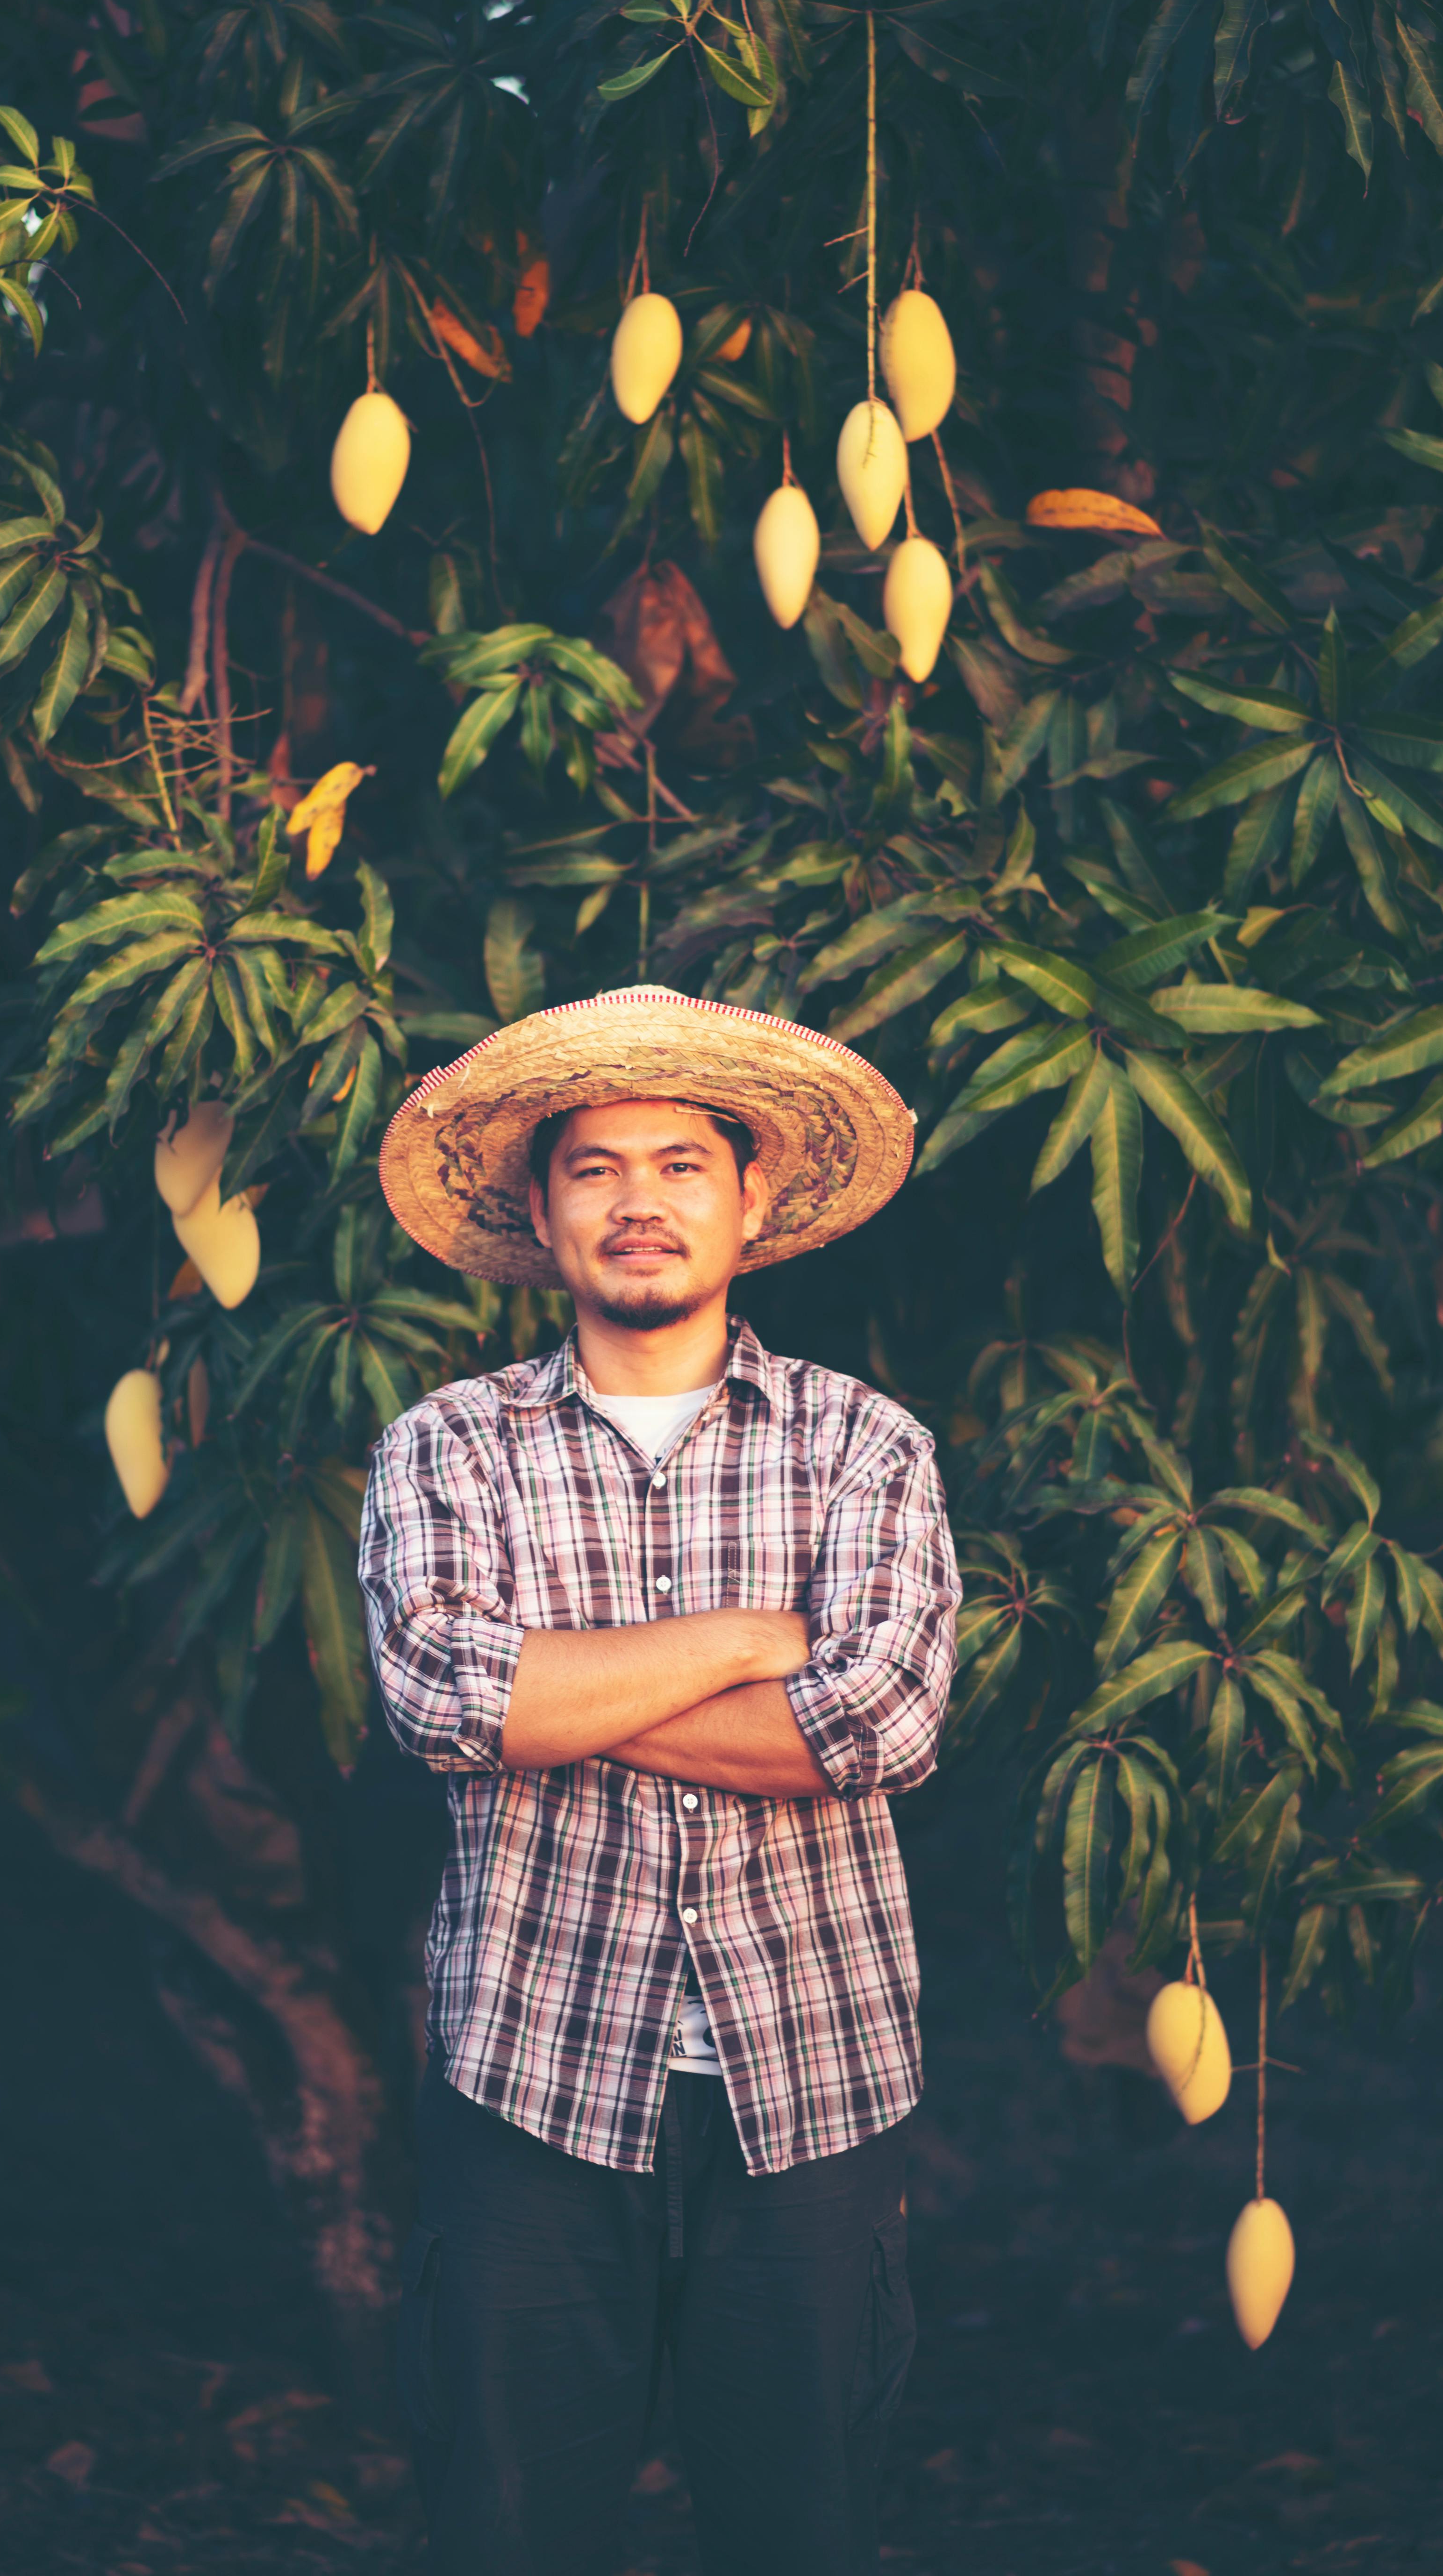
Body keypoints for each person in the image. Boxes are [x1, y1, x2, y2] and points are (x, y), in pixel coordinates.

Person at [360, 985, 960, 2576]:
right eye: (595, 1168)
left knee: (801, 2529)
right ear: (539, 1212)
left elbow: (885, 1728)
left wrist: (558, 1692)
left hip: (810, 2080)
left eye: (683, 1164)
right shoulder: (448, 1448)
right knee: (510, 2531)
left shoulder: (865, 1450)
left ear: (752, 1200)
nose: (641, 1202)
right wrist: (748, 1643)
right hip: (531, 2079)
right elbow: (439, 1695)